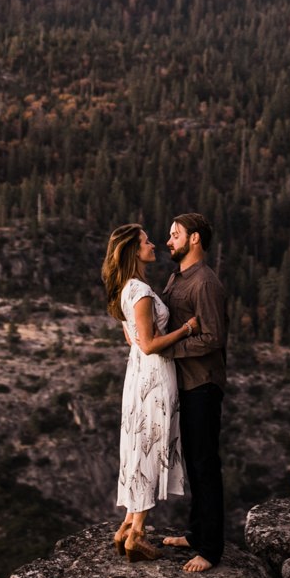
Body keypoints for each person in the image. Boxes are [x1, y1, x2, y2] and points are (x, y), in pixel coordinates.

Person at [101, 223, 198, 561]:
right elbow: (151, 345)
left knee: (137, 444)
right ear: (133, 250)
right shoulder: (140, 290)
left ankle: (127, 526)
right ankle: (137, 533)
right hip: (155, 377)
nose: (152, 244)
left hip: (138, 375)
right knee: (151, 445)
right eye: (145, 242)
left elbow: (133, 339)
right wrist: (187, 328)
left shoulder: (124, 289)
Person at [158, 212, 228, 573]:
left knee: (205, 464)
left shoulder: (205, 283)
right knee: (194, 462)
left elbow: (214, 337)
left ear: (195, 238)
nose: (169, 241)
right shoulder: (178, 277)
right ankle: (197, 533)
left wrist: (170, 349)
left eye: (175, 235)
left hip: (203, 383)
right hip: (186, 383)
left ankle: (211, 548)